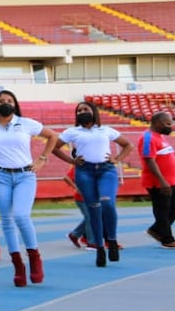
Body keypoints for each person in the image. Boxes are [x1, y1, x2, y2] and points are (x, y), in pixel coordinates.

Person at [0, 90, 60, 287]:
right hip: (0, 176)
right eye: (1, 100)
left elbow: (52, 136)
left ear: (15, 104)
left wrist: (42, 158)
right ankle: (18, 265)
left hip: (24, 175)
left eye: (9, 100)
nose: (5, 103)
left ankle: (34, 257)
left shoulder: (25, 123)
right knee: (7, 221)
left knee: (21, 216)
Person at [53, 100, 132, 267]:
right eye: (79, 110)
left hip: (106, 170)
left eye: (85, 109)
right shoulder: (72, 132)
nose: (82, 112)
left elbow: (127, 145)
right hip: (85, 171)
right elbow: (55, 147)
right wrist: (72, 161)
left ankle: (111, 239)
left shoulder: (106, 130)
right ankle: (99, 248)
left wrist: (116, 159)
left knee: (107, 203)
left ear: (94, 112)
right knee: (93, 209)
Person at [140, 111, 175, 250]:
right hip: (158, 181)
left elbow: (163, 152)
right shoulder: (147, 137)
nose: (170, 126)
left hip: (171, 180)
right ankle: (167, 239)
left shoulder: (160, 136)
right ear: (156, 123)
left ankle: (156, 230)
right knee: (162, 208)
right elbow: (149, 159)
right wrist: (161, 181)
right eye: (167, 123)